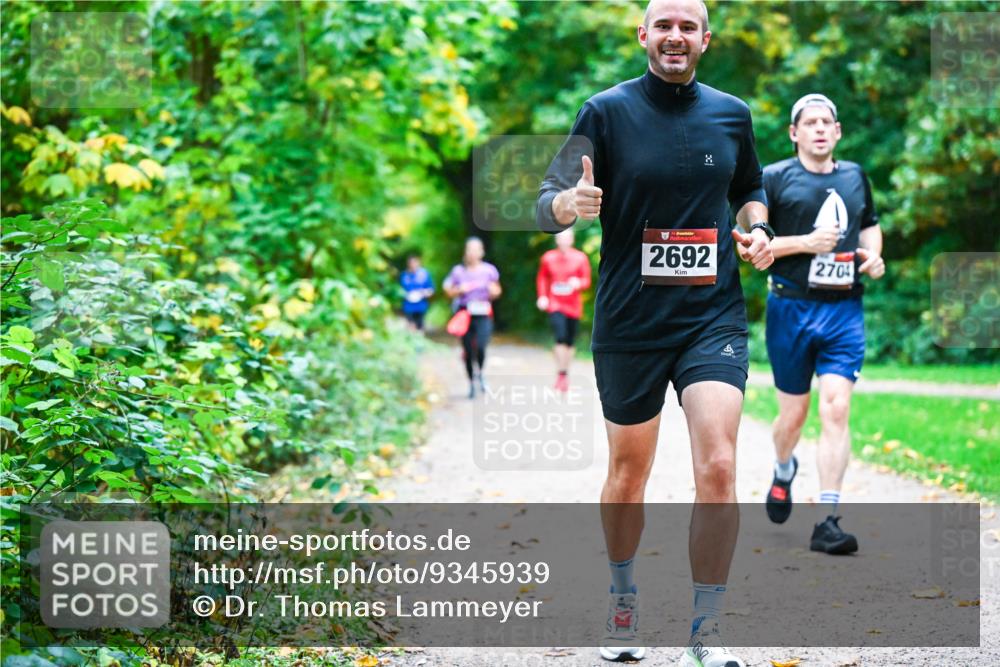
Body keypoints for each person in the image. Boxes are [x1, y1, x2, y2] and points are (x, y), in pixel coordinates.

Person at [536, 1, 774, 663]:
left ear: (706, 39)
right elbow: (546, 196)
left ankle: (708, 627)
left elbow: (751, 187)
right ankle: (622, 596)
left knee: (720, 463)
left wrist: (759, 226)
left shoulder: (732, 114)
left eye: (687, 26)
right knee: (627, 474)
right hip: (631, 320)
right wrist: (569, 203)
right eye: (663, 24)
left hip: (712, 316)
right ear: (644, 35)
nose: (675, 35)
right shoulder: (605, 111)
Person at [761, 93, 884, 555]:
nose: (817, 129)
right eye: (808, 122)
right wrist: (806, 243)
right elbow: (756, 247)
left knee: (836, 408)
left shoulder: (855, 176)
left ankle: (828, 519)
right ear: (794, 133)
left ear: (837, 132)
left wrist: (874, 255)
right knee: (792, 417)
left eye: (825, 122)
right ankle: (782, 466)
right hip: (789, 308)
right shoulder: (773, 179)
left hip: (843, 310)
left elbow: (869, 224)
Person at [443, 237, 502, 399]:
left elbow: (497, 291)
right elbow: (448, 291)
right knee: (468, 350)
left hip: (483, 312)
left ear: (481, 252)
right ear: (465, 252)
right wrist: (459, 290)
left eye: (476, 249)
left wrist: (493, 291)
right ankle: (471, 382)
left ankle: (480, 373)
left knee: (482, 346)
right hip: (465, 313)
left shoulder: (489, 270)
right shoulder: (458, 272)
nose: (473, 253)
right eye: (470, 249)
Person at [536, 228, 592, 392]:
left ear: (572, 240)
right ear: (556, 241)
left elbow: (586, 281)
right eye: (561, 239)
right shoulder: (548, 258)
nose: (564, 242)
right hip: (555, 304)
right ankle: (561, 372)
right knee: (559, 337)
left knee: (569, 341)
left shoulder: (580, 258)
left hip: (573, 305)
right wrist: (542, 296)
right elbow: (542, 278)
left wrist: (578, 283)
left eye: (567, 239)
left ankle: (565, 372)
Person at [400, 253, 434, 332]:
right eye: (411, 263)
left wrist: (425, 293)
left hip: (421, 305)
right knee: (411, 326)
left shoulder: (424, 274)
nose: (413, 265)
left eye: (414, 262)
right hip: (408, 306)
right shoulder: (404, 275)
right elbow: (400, 290)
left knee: (420, 327)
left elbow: (431, 289)